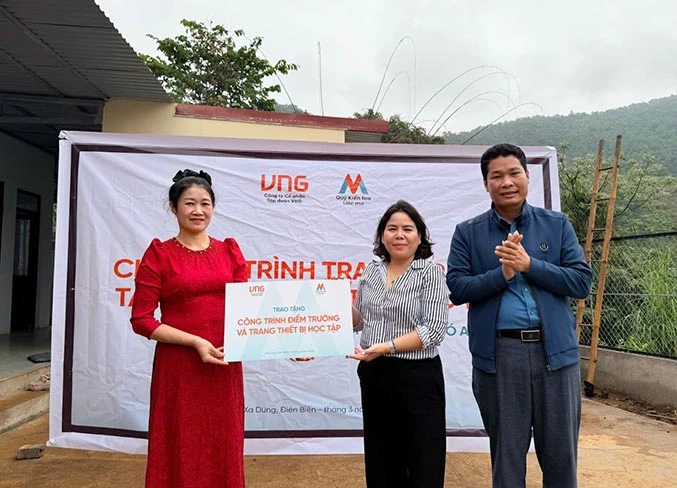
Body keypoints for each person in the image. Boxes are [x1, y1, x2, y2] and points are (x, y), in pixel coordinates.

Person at [446, 143, 592, 488]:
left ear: (527, 176)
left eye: (514, 173)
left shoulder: (556, 225)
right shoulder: (468, 232)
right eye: (496, 176)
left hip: (555, 355)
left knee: (561, 458)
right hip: (500, 356)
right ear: (486, 184)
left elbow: (581, 282)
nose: (507, 182)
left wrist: (530, 265)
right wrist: (503, 274)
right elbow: (458, 288)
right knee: (507, 459)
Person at [130, 169, 247, 488]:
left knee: (223, 443)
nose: (198, 210)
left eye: (205, 203)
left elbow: (249, 312)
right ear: (173, 207)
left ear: (213, 208)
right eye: (189, 203)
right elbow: (142, 320)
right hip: (179, 369)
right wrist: (194, 341)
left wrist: (292, 342)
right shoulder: (160, 254)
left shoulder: (229, 251)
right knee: (179, 442)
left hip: (224, 363)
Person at [349, 200, 449, 488]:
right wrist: (334, 305)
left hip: (418, 377)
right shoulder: (371, 271)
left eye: (408, 228)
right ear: (382, 236)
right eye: (392, 229)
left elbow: (433, 331)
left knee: (423, 459)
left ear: (420, 236)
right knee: (381, 459)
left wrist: (386, 347)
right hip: (375, 373)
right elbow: (359, 321)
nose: (399, 235)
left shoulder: (430, 273)